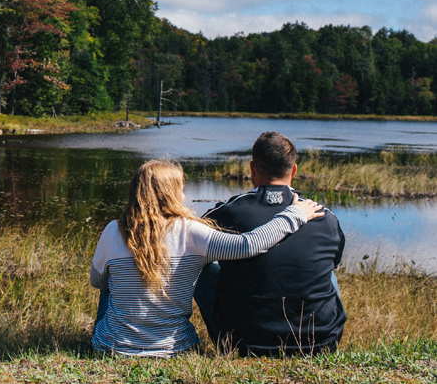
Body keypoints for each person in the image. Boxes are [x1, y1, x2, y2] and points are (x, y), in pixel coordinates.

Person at [90, 158, 324, 357]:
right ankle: (223, 339)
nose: (183, 196)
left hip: (111, 348)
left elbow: (96, 281)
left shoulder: (114, 230)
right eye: (181, 189)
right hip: (176, 349)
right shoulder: (190, 231)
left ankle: (123, 335)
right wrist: (294, 214)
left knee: (109, 281)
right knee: (207, 266)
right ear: (170, 194)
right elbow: (249, 244)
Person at [195, 132, 346, 356]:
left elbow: (194, 245)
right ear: (294, 170)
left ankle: (226, 340)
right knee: (330, 276)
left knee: (205, 271)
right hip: (321, 343)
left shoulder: (227, 213)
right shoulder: (324, 216)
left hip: (242, 342)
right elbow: (334, 261)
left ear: (252, 169)